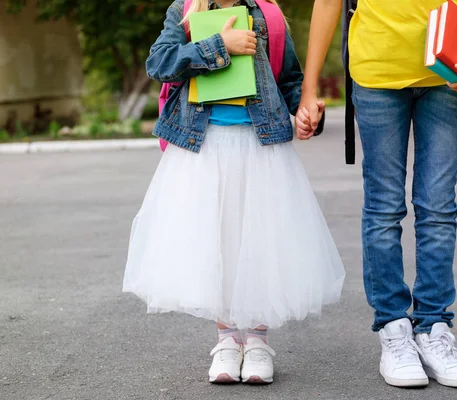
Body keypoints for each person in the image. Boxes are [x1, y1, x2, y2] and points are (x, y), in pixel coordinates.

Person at [123, 0, 345, 385]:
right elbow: (159, 63)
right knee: (219, 240)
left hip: (261, 147)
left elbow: (289, 80)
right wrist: (217, 45)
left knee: (259, 239)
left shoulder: (269, 15)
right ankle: (227, 339)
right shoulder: (186, 9)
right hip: (204, 147)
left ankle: (257, 340)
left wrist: (307, 113)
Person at [298, 0, 457, 389]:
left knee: (439, 207)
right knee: (383, 208)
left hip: (449, 67)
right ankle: (393, 329)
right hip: (377, 69)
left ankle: (434, 329)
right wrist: (309, 89)